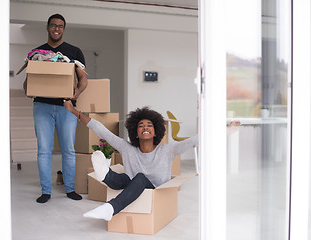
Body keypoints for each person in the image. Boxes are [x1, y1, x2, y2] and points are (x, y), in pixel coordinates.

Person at [63, 101, 198, 221]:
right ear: (135, 132)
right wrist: (74, 111)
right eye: (141, 126)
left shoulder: (167, 150)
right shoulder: (127, 148)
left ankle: (111, 208)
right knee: (126, 178)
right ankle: (104, 174)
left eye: (149, 125)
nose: (145, 127)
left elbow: (192, 141)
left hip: (156, 191)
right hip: (131, 186)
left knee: (139, 178)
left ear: (156, 132)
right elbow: (102, 131)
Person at [24, 14, 88, 203]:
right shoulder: (37, 52)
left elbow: (83, 79)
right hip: (42, 106)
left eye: (60, 26)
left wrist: (77, 92)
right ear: (47, 27)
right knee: (44, 150)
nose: (56, 29)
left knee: (68, 149)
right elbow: (29, 82)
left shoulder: (74, 52)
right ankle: (46, 191)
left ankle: (70, 189)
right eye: (53, 25)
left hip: (66, 106)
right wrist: (28, 89)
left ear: (64, 29)